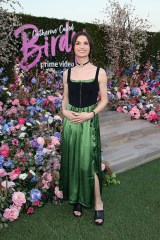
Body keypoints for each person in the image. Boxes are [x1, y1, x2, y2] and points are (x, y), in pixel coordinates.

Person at [60, 31, 108, 225]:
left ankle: (98, 203)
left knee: (89, 162)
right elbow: (65, 98)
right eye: (78, 43)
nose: (81, 46)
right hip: (71, 121)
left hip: (88, 120)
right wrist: (64, 112)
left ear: (90, 47)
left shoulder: (99, 72)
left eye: (85, 43)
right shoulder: (67, 73)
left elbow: (104, 100)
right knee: (73, 161)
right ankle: (77, 199)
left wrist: (91, 114)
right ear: (73, 47)